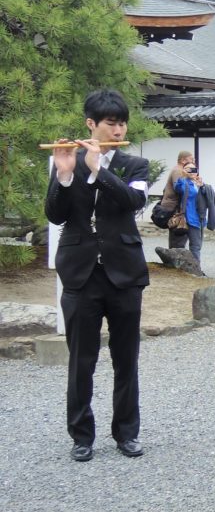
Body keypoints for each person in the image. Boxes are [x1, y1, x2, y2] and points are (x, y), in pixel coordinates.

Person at [45, 89, 150, 462]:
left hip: (124, 274)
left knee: (126, 358)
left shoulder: (134, 164)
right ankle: (81, 436)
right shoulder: (66, 160)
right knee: (81, 360)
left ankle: (126, 433)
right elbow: (55, 216)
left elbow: (132, 202)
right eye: (110, 123)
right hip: (80, 275)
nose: (118, 129)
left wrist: (97, 168)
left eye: (122, 123)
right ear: (91, 123)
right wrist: (64, 175)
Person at [172, 161, 215, 269]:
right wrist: (183, 175)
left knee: (196, 246)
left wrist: (202, 186)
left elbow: (209, 199)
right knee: (181, 245)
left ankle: (195, 269)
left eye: (193, 169)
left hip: (198, 218)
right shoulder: (183, 182)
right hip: (187, 218)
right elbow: (178, 188)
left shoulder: (201, 184)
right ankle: (192, 268)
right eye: (188, 169)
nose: (191, 171)